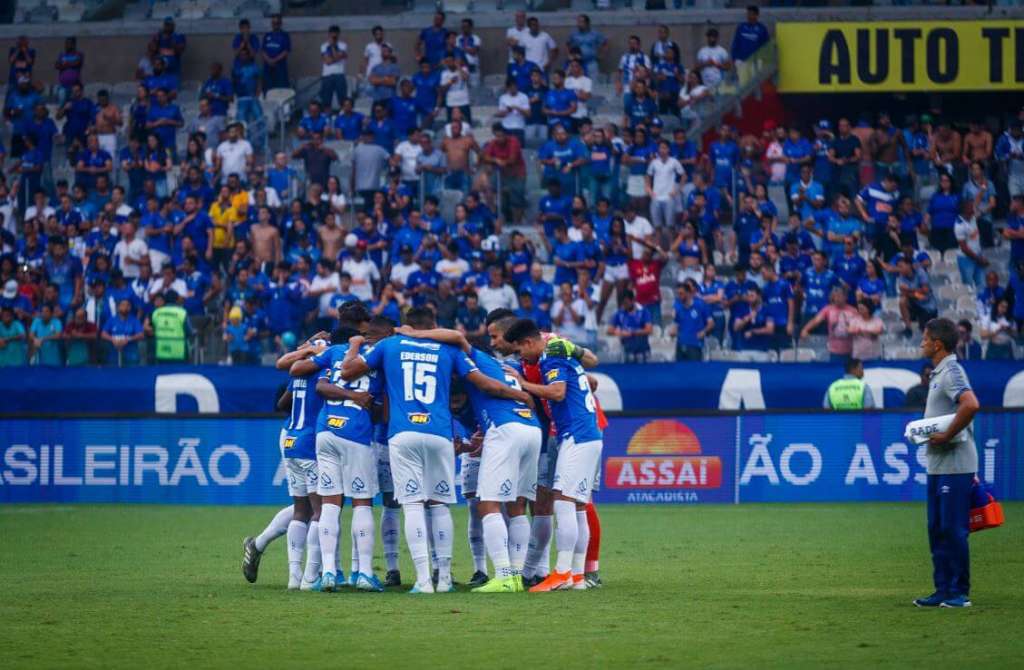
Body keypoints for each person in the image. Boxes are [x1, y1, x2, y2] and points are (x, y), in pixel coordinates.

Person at [339, 306, 531, 593]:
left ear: (406, 326)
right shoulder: (448, 350)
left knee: (413, 504)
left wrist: (354, 346)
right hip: (440, 432)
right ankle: (443, 579)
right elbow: (481, 382)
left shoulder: (389, 345)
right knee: (439, 504)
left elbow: (348, 370)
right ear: (433, 325)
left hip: (403, 433)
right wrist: (519, 393)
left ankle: (423, 580)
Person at [396, 324, 543, 594]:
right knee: (517, 506)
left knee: (488, 504)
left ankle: (503, 575)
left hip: (504, 427)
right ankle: (518, 575)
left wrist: (416, 334)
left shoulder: (479, 359)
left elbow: (456, 336)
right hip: (532, 429)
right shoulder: (506, 368)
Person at [503, 319, 603, 593]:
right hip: (587, 434)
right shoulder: (561, 351)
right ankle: (578, 576)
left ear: (528, 343)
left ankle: (561, 572)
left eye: (520, 351)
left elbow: (557, 392)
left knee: (563, 501)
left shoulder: (550, 358)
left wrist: (523, 384)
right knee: (578, 505)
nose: (521, 357)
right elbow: (589, 369)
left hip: (577, 435)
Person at [912, 318, 980, 609]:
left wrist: (947, 434)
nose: (922, 343)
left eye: (925, 338)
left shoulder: (951, 370)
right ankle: (942, 589)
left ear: (938, 344)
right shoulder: (940, 371)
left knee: (953, 530)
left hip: (955, 464)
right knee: (937, 528)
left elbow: (971, 404)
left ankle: (958, 592)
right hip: (939, 465)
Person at [671, 279, 712, 361]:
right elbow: (676, 324)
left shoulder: (700, 305)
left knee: (694, 372)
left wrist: (703, 332)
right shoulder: (679, 308)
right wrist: (673, 331)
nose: (679, 296)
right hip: (680, 345)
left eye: (681, 294)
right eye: (678, 294)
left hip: (695, 345)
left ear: (689, 293)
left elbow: (711, 323)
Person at [150, 290, 190, 363]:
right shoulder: (182, 312)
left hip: (161, 351)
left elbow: (152, 329)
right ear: (177, 300)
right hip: (178, 352)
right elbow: (189, 331)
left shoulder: (156, 313)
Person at [319, 25, 348, 111]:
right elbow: (327, 61)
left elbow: (338, 56)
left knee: (342, 100)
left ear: (338, 34)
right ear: (329, 34)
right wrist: (337, 57)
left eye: (335, 34)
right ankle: (327, 119)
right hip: (327, 75)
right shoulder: (323, 46)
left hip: (340, 74)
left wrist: (333, 47)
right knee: (326, 100)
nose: (334, 36)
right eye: (332, 34)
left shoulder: (343, 45)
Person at [262, 14, 291, 90]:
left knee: (281, 90)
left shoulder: (285, 35)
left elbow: (286, 51)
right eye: (273, 23)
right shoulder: (267, 35)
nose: (275, 25)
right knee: (268, 91)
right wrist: (269, 60)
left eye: (277, 23)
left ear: (280, 24)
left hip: (280, 68)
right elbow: (263, 51)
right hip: (268, 69)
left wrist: (274, 60)